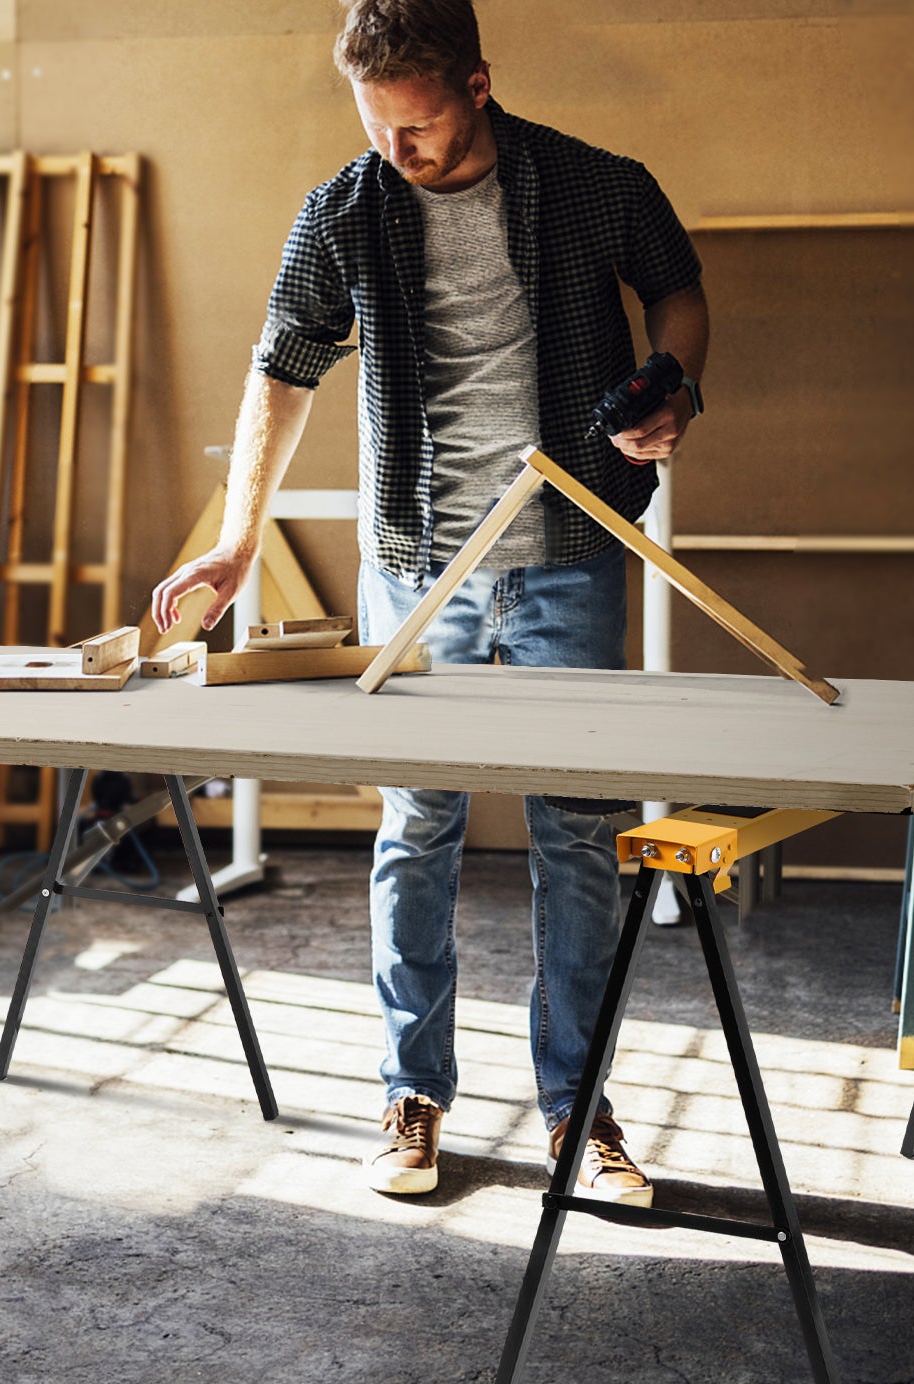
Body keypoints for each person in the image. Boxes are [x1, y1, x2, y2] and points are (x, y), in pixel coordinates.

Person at [150, 0, 708, 1201]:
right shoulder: (345, 210)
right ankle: (412, 1096)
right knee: (416, 831)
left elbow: (676, 285)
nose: (398, 154)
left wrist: (675, 383)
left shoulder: (589, 182)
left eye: (420, 130)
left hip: (569, 547)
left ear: (478, 86)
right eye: (377, 128)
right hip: (418, 567)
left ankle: (578, 1109)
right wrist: (237, 546)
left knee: (579, 834)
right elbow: (279, 370)